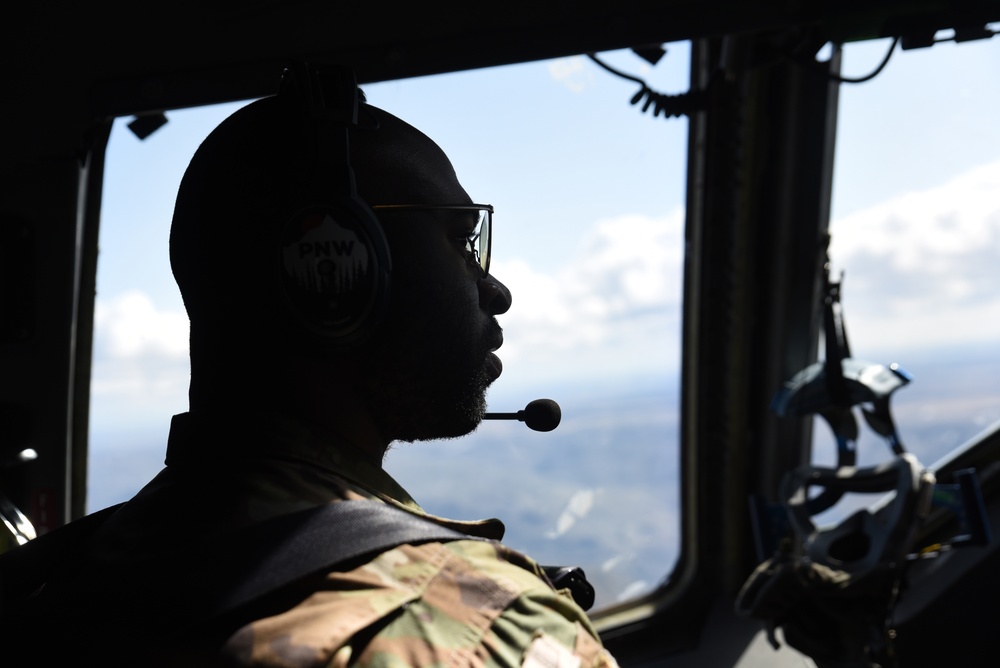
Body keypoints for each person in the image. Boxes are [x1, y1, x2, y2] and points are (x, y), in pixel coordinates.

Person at [18, 64, 620, 667]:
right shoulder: (477, 629)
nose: (496, 290)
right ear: (333, 274)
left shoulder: (62, 576)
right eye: (460, 240)